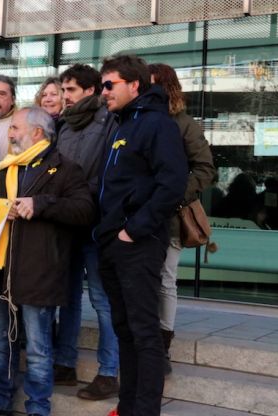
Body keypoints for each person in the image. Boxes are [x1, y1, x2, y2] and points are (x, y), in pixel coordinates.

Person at [0, 107, 94, 416]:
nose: (9, 133)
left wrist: (42, 204)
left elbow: (84, 211)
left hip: (40, 272)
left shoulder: (65, 169)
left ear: (37, 133)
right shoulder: (6, 168)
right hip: (3, 272)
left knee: (37, 349)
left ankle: (38, 408)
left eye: (15, 128)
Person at [95, 55, 187, 416]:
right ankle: (128, 406)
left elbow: (172, 183)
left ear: (134, 84)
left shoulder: (156, 125)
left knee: (145, 333)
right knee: (126, 331)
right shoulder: (121, 124)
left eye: (109, 84)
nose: (104, 92)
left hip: (138, 244)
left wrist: (134, 230)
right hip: (112, 243)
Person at [53, 64, 120, 401]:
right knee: (67, 296)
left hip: (93, 220)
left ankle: (108, 372)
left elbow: (107, 170)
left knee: (101, 298)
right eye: (63, 90)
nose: (65, 97)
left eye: (71, 91)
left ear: (90, 90)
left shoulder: (107, 121)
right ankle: (64, 363)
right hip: (67, 220)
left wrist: (80, 197)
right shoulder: (63, 124)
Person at [149, 63, 216, 376]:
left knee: (165, 277)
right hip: (137, 214)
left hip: (172, 216)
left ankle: (162, 345)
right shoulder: (134, 119)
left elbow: (205, 168)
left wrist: (172, 193)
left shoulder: (184, 124)